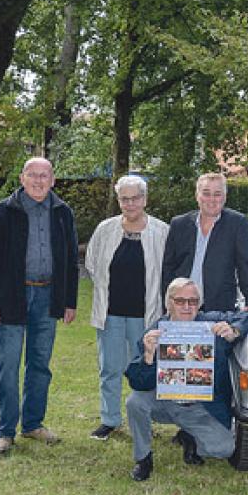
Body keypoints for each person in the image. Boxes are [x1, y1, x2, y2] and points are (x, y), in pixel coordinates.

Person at [0, 157, 79, 454]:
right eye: (32, 175)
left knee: (39, 365)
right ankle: (5, 431)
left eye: (44, 175)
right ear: (22, 178)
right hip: (12, 297)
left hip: (48, 298)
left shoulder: (63, 213)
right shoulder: (5, 211)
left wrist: (69, 301)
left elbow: (71, 260)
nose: (38, 180)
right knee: (8, 365)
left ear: (53, 180)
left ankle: (33, 424)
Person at [125, 277, 248, 481]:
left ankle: (189, 437)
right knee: (135, 402)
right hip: (165, 401)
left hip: (200, 406)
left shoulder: (210, 322)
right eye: (180, 301)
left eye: (193, 301)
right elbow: (137, 382)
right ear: (168, 303)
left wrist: (234, 330)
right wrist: (148, 357)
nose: (187, 307)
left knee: (223, 450)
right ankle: (143, 458)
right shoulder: (156, 331)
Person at [84, 175, 169, 440]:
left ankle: (142, 419)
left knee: (143, 369)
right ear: (118, 200)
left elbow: (167, 271)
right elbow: (92, 263)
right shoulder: (105, 229)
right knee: (109, 367)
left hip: (145, 315)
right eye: (124, 199)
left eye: (135, 198)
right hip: (110, 313)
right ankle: (109, 419)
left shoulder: (162, 232)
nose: (130, 204)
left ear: (144, 199)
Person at [161, 173, 248, 315]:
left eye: (217, 194)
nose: (211, 199)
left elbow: (245, 265)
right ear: (197, 195)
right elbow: (168, 268)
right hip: (181, 308)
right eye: (206, 193)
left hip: (219, 307)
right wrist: (167, 304)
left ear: (225, 197)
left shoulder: (237, 224)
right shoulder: (179, 224)